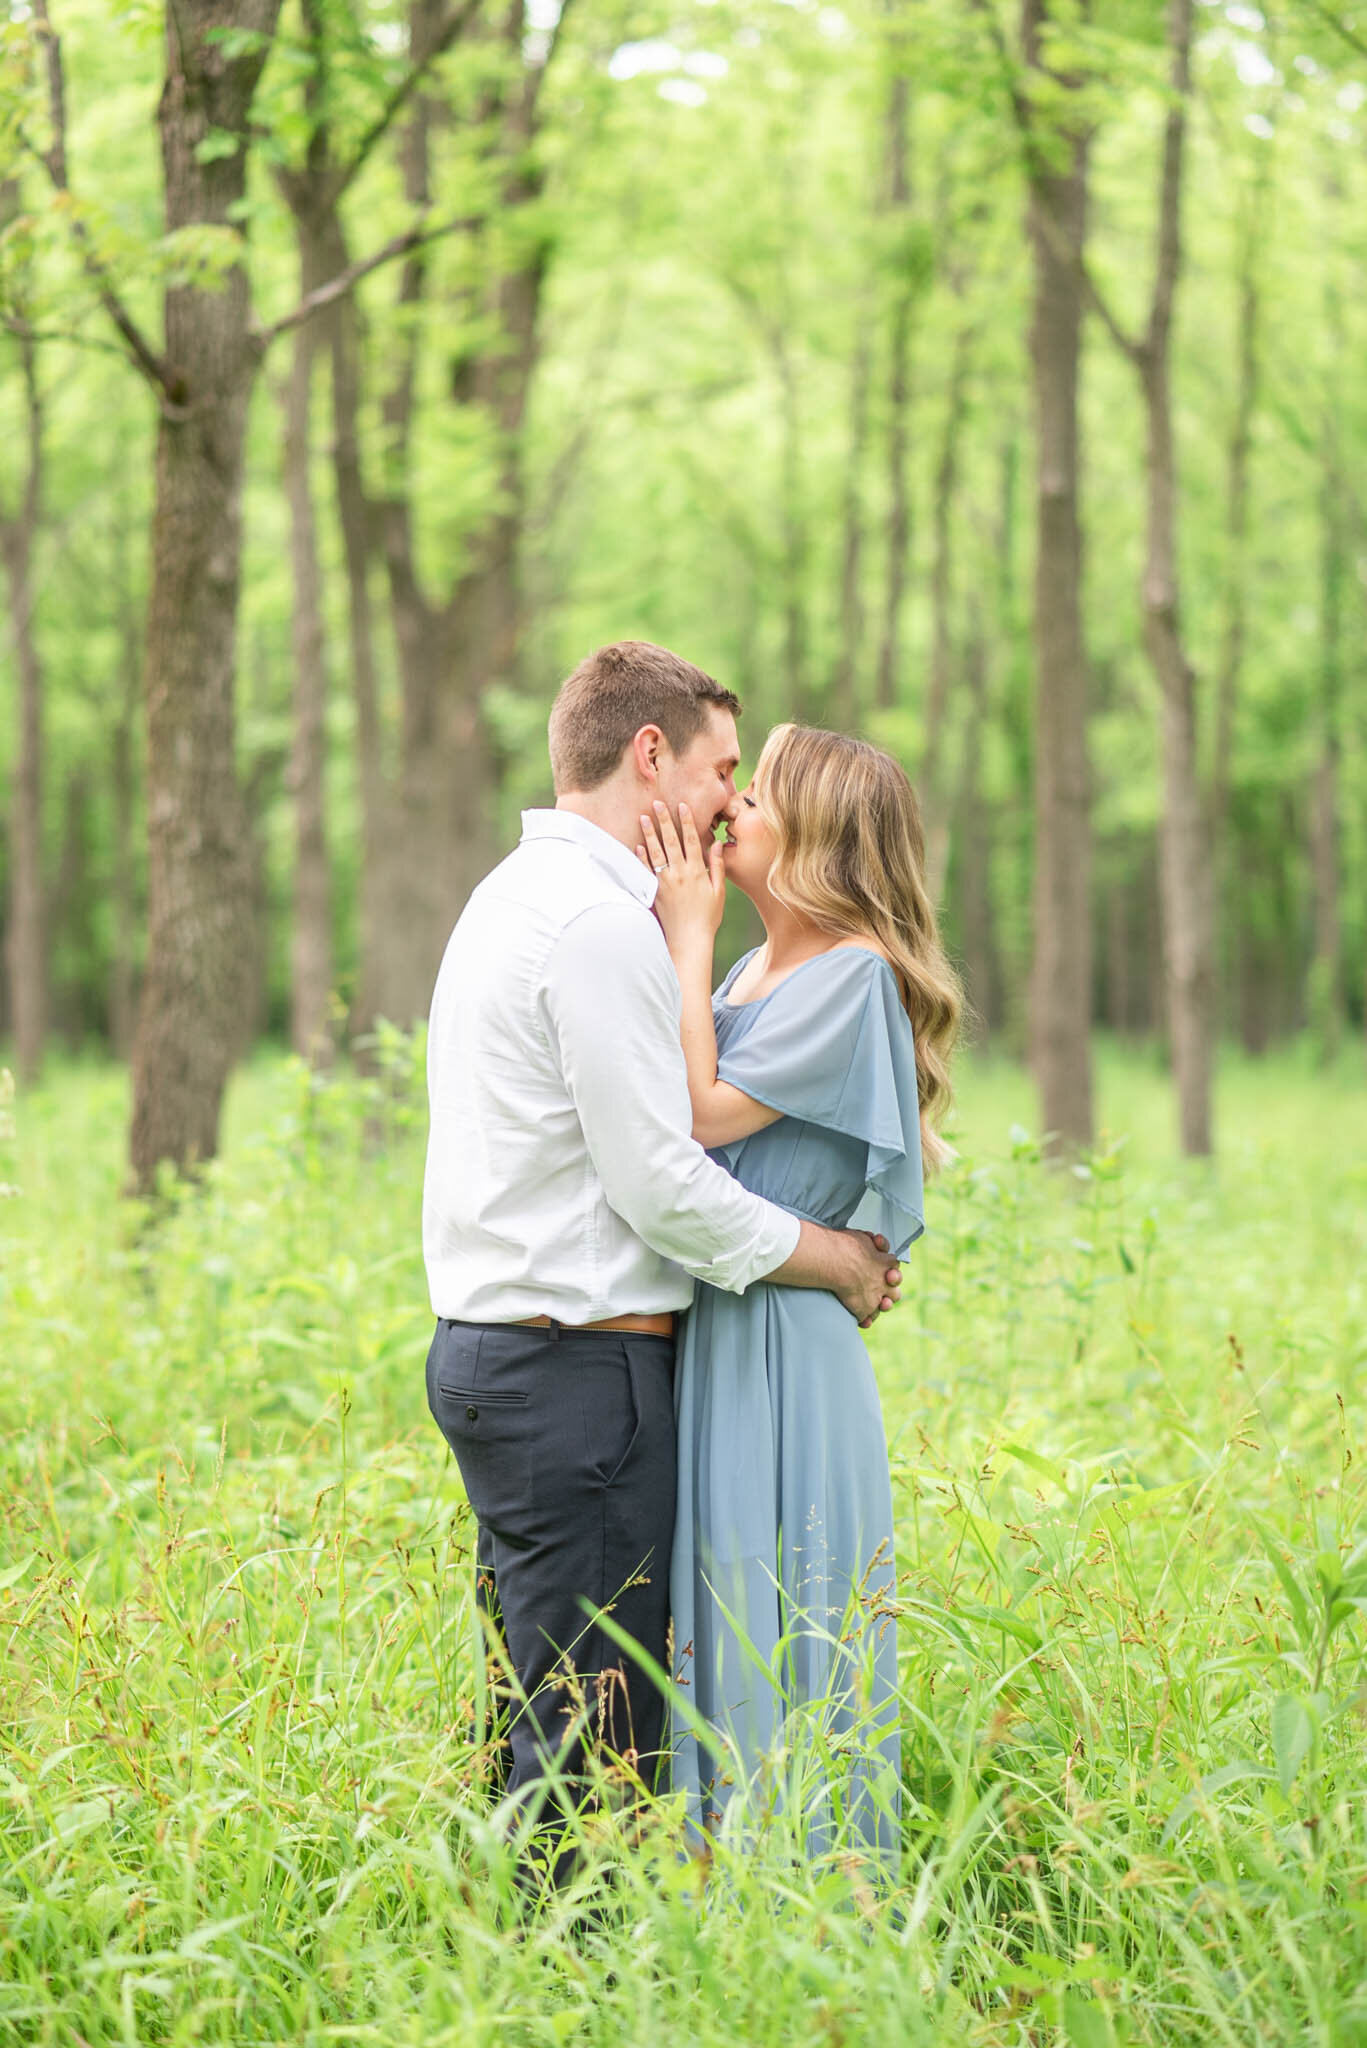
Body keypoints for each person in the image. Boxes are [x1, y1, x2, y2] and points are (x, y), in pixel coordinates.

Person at [421, 644, 904, 1889]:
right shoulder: (599, 926)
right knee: (585, 1735)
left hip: (541, 1359)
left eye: (750, 783)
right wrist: (830, 1260)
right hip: (572, 1371)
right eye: (720, 769)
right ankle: (560, 1991)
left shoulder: (517, 896)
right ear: (651, 757)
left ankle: (591, 1962)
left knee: (565, 1710)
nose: (730, 801)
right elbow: (663, 1176)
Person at [638, 721, 962, 1880]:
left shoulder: (852, 972)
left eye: (757, 794)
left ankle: (813, 1896)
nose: (732, 810)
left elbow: (700, 1113)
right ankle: (718, 1884)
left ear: (814, 838)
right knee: (716, 1612)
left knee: (786, 1610)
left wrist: (682, 931)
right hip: (727, 1317)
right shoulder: (751, 970)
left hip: (786, 1342)